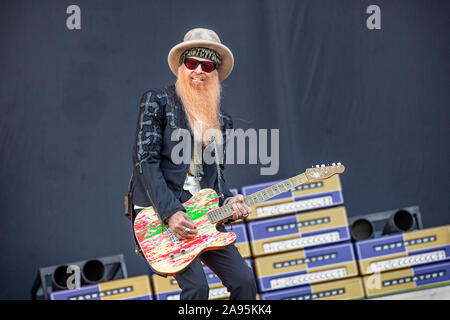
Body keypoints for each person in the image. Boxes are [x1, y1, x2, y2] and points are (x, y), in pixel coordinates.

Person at [130, 28, 257, 300]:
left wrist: (229, 203)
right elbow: (145, 162)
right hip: (161, 210)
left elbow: (215, 180)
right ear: (181, 66)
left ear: (215, 73)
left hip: (203, 213)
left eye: (207, 65)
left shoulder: (222, 120)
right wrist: (171, 212)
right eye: (191, 63)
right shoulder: (158, 101)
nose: (198, 70)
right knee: (197, 288)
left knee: (244, 282)